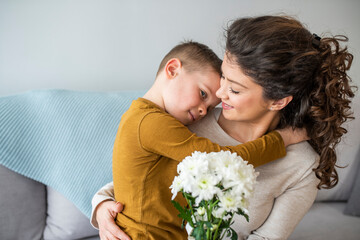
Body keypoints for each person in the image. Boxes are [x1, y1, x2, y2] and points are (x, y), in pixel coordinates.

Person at [91, 15, 355, 240]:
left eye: (235, 88)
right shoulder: (189, 119)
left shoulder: (301, 166)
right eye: (223, 78)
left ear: (278, 101)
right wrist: (102, 205)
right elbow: (134, 179)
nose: (220, 92)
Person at [109, 40, 307, 240]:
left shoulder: (155, 120)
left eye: (212, 107)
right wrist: (281, 139)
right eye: (203, 94)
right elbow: (223, 160)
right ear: (172, 69)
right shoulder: (150, 122)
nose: (204, 110)